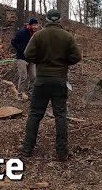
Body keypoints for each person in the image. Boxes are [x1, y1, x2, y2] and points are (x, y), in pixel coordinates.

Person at [20, 9, 82, 161]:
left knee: (35, 114)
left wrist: (40, 61)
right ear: (59, 20)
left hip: (41, 80)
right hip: (60, 80)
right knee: (60, 115)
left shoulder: (38, 35)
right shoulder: (67, 37)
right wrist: (64, 63)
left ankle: (27, 148)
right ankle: (62, 152)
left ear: (46, 19)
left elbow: (28, 55)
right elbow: (77, 57)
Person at [10, 17, 39, 95]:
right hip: (22, 58)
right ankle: (20, 93)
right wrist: (19, 49)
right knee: (23, 77)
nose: (35, 27)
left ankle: (31, 93)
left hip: (32, 59)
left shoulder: (36, 34)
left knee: (33, 77)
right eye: (34, 25)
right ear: (30, 25)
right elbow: (13, 41)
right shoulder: (22, 32)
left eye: (36, 25)